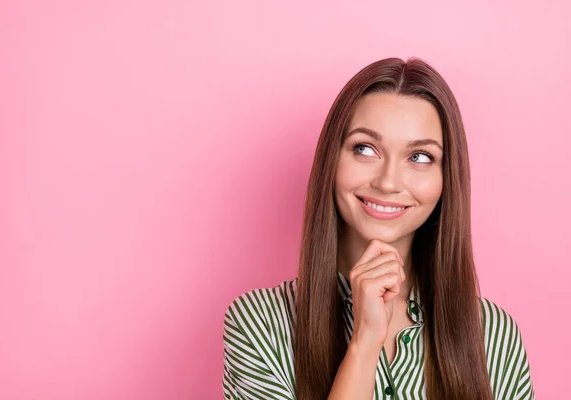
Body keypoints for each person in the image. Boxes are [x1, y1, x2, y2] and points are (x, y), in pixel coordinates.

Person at [221, 57, 535, 400]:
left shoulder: (493, 334)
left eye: (419, 157)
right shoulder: (261, 323)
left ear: (446, 178)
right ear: (333, 160)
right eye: (365, 149)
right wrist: (365, 342)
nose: (388, 183)